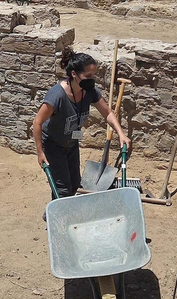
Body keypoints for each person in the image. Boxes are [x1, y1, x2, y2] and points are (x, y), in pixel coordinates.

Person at [31, 48, 129, 199]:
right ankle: (56, 219)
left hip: (71, 143)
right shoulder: (57, 95)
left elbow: (108, 113)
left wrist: (121, 134)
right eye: (88, 76)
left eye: (93, 75)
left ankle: (52, 213)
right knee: (62, 189)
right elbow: (37, 123)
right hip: (53, 145)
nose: (92, 79)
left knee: (74, 184)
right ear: (74, 74)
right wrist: (40, 152)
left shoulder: (89, 91)